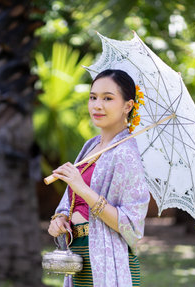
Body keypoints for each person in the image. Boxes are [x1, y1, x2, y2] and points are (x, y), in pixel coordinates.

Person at [48, 69, 150, 287]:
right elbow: (71, 203)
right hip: (78, 254)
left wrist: (82, 187)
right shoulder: (91, 146)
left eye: (107, 98)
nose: (97, 105)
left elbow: (131, 225)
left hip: (108, 258)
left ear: (128, 106)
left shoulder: (126, 154)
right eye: (93, 97)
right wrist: (60, 219)